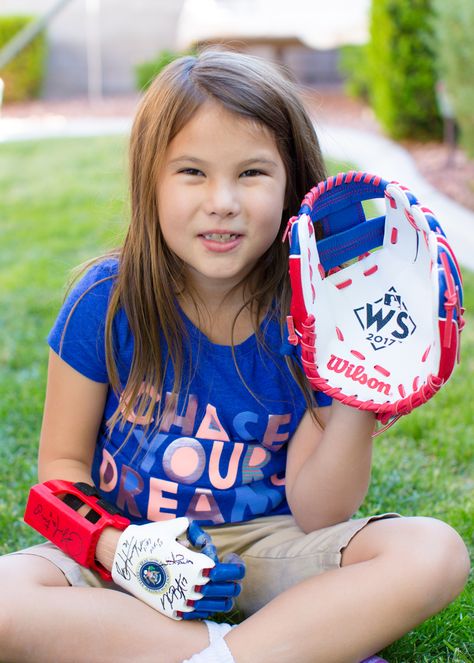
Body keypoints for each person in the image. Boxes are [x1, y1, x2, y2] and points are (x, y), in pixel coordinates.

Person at [0, 49, 469, 663]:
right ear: (150, 182)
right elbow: (61, 468)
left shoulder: (317, 317)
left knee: (434, 552)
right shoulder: (103, 301)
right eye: (191, 172)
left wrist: (358, 395)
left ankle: (224, 656)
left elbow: (319, 509)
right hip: (132, 546)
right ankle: (267, 649)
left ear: (294, 184)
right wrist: (123, 551)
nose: (222, 200)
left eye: (251, 173)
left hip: (264, 546)